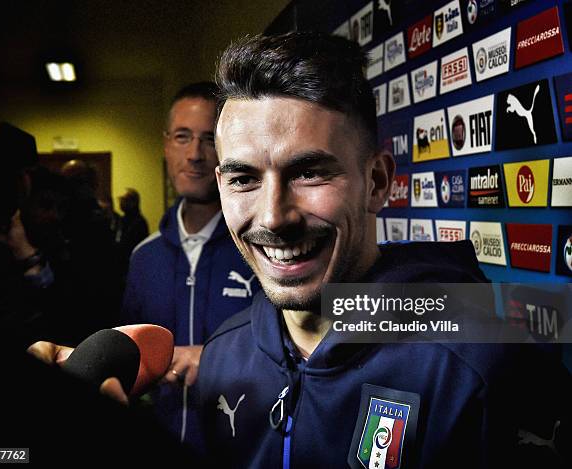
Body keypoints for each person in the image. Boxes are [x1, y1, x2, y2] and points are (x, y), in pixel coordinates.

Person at [196, 32, 570, 468]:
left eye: (309, 172)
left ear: (376, 182)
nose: (274, 217)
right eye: (244, 179)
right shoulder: (222, 355)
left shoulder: (474, 368)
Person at [121, 81, 259, 448]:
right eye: (182, 137)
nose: (195, 154)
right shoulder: (143, 257)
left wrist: (215, 360)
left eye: (209, 138)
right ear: (166, 146)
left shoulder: (267, 251)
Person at [117, 188, 148, 271]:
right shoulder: (121, 220)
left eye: (124, 200)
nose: (121, 203)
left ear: (133, 202)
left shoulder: (139, 222)